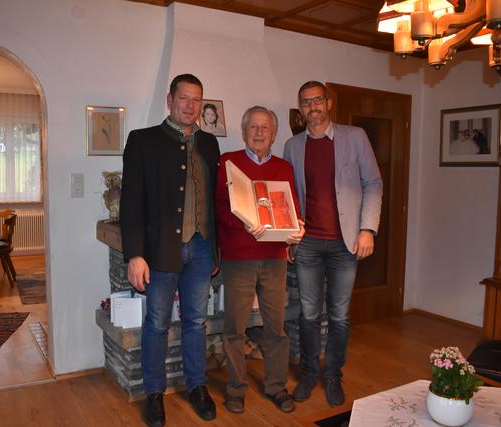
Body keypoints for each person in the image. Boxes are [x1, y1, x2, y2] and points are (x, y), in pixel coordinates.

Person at [120, 73, 220, 427]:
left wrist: (216, 253)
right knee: (157, 324)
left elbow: (215, 200)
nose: (190, 106)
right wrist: (134, 254)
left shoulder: (210, 144)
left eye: (197, 100)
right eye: (184, 98)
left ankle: (197, 387)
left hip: (202, 248)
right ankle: (154, 395)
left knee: (196, 322)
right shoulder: (142, 141)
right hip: (161, 252)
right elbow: (130, 202)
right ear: (170, 100)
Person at [283, 81, 383, 407]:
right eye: (305, 103)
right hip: (308, 243)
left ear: (328, 103)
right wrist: (287, 233)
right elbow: (289, 196)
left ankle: (333, 375)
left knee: (339, 316)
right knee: (309, 314)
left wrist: (368, 228)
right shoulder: (292, 146)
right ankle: (310, 373)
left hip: (346, 242)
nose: (312, 107)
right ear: (300, 109)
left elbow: (373, 182)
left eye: (317, 100)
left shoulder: (355, 138)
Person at [215, 106, 305, 414]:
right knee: (235, 329)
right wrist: (242, 222)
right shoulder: (229, 163)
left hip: (274, 258)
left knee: (275, 329)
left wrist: (295, 230)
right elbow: (220, 210)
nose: (258, 132)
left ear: (273, 134)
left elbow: (289, 208)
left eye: (265, 127)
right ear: (243, 132)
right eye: (253, 126)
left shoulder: (284, 168)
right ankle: (236, 389)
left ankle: (276, 387)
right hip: (239, 258)